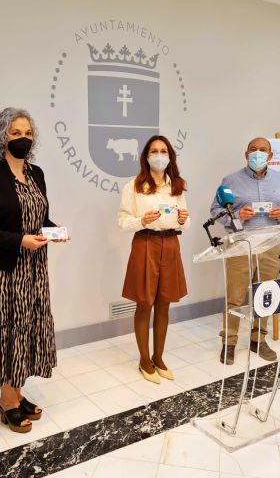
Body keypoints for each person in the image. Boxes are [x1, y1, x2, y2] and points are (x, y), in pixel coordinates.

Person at [0, 107, 62, 433]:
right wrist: (19, 240)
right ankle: (7, 401)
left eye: (28, 133)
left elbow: (38, 217)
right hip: (2, 269)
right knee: (8, 330)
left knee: (29, 327)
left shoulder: (36, 173)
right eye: (15, 133)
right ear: (1, 136)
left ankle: (17, 392)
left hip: (34, 267)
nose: (23, 138)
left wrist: (53, 230)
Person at [210, 137, 280, 364]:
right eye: (253, 149)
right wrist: (237, 215)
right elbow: (216, 209)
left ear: (270, 156)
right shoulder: (230, 180)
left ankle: (259, 340)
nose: (258, 153)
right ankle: (229, 342)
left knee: (265, 294)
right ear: (246, 154)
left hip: (270, 244)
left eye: (263, 150)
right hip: (241, 244)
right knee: (235, 297)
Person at [118, 136, 190, 384]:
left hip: (171, 244)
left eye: (163, 151)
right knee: (144, 303)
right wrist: (142, 220)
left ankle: (158, 357)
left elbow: (186, 221)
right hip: (145, 243)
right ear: (146, 156)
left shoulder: (177, 185)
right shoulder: (134, 186)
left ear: (170, 156)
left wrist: (182, 220)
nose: (159, 155)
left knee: (164, 303)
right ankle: (144, 360)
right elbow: (122, 221)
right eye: (154, 151)